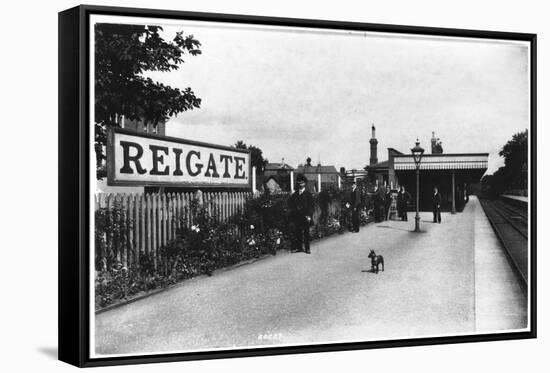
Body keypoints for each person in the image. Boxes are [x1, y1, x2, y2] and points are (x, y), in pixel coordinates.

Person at [288, 174, 314, 254]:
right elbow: (290, 203)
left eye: (302, 183)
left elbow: (311, 206)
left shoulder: (308, 194)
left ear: (305, 183)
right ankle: (299, 247)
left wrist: (309, 215)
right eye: (299, 183)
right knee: (298, 232)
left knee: (306, 232)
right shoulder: (295, 194)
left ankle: (307, 248)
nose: (300, 184)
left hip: (305, 216)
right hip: (297, 215)